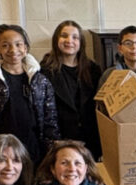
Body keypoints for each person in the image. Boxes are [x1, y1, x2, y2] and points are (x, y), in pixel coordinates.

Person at [0, 24, 59, 164]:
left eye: (18, 44)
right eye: (5, 45)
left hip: (33, 151)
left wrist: (52, 150)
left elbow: (50, 119)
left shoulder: (40, 80)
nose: (13, 50)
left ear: (25, 48)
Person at [40, 20, 103, 159]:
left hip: (90, 139)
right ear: (56, 40)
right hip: (60, 140)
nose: (69, 41)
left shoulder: (93, 69)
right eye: (64, 36)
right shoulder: (45, 70)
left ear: (81, 42)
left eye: (75, 37)